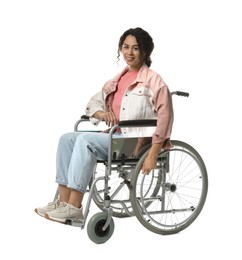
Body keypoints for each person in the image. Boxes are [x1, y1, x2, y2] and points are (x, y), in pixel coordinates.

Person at [35, 27, 174, 224]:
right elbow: (94, 103)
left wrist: (153, 154)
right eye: (125, 47)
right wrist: (102, 113)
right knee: (67, 138)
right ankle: (62, 202)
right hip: (115, 137)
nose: (129, 52)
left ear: (145, 52)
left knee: (85, 140)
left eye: (135, 48)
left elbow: (165, 118)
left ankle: (74, 207)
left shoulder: (154, 81)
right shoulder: (116, 80)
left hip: (136, 142)